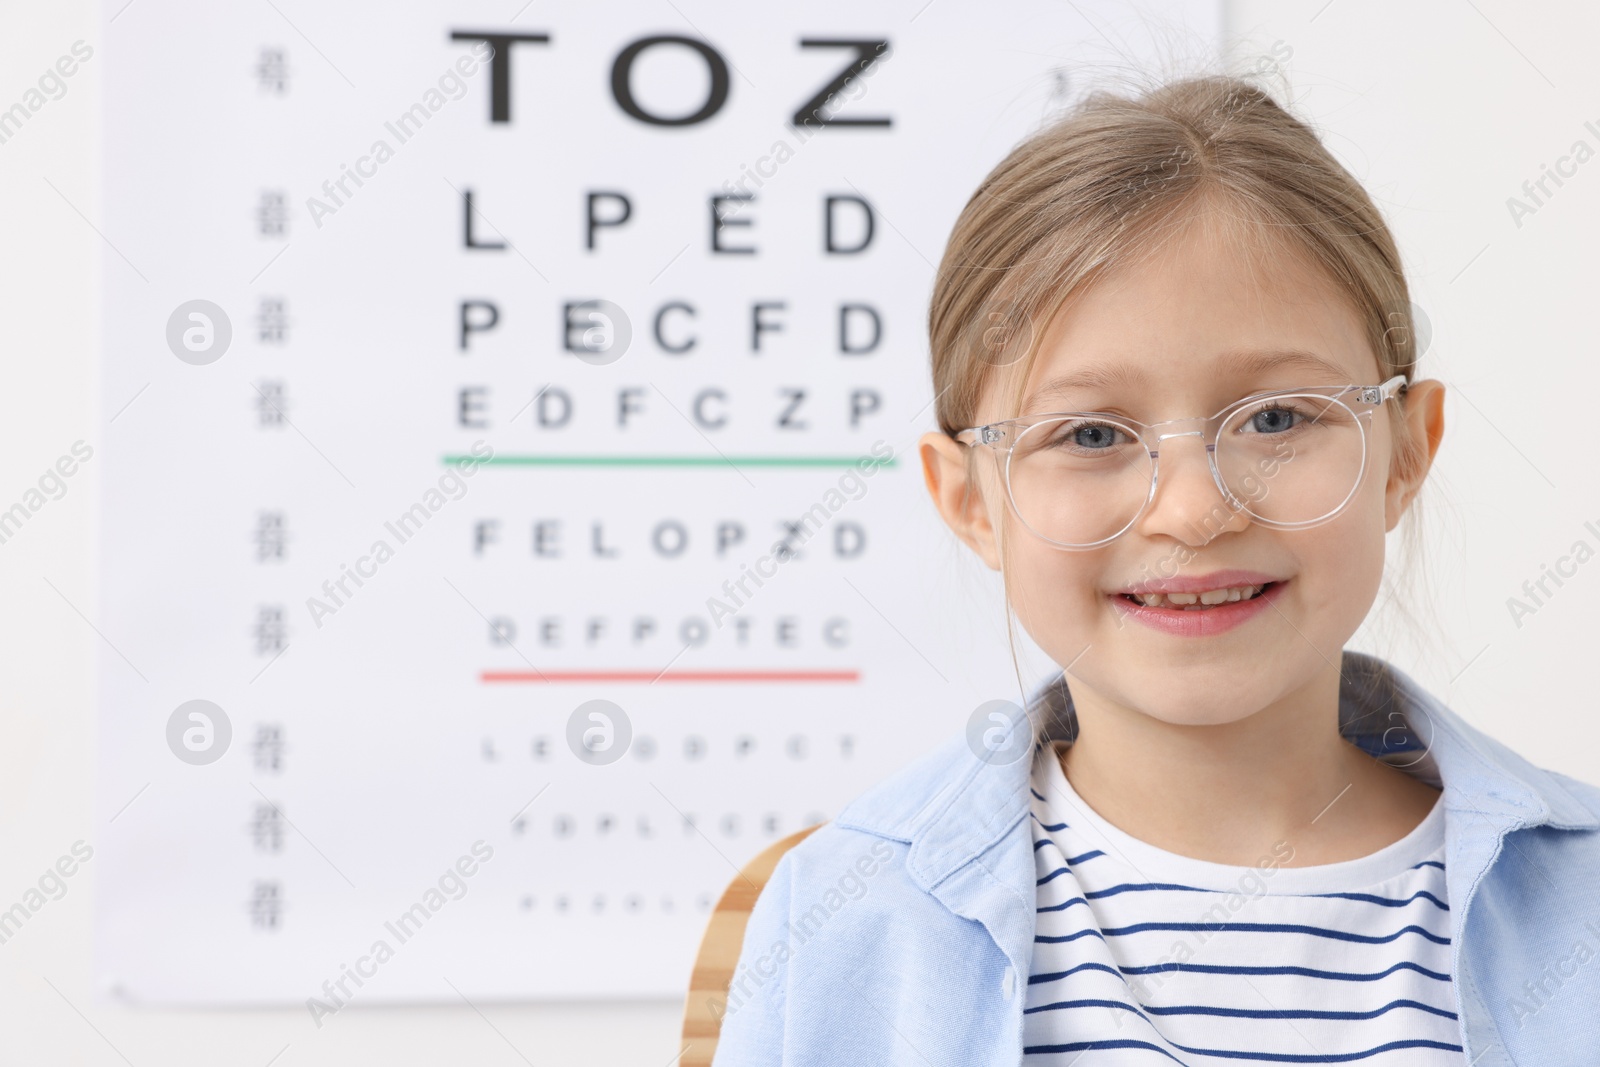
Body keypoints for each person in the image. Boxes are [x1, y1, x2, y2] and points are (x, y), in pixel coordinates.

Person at [710, 71, 1600, 1066]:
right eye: (1090, 431)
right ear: (968, 498)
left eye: (1275, 418)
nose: (1192, 508)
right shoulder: (847, 917)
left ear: (1404, 449)